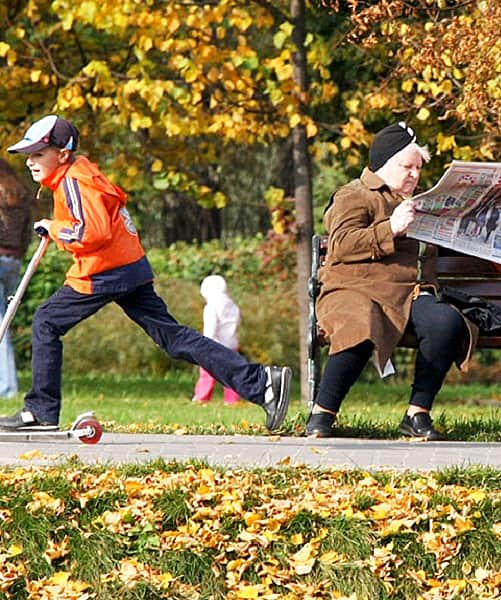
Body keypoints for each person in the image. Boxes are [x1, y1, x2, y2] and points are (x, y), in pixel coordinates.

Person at [0, 115, 291, 431]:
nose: (30, 162)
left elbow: (90, 233)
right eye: (29, 155)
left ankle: (40, 412)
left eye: (38, 154)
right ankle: (262, 382)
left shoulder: (73, 181)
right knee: (174, 338)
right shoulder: (82, 176)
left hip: (105, 271)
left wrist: (53, 227)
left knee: (46, 320)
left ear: (63, 154)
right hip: (128, 268)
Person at [307, 122, 501, 440]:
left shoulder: (422, 201)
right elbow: (341, 244)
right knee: (360, 323)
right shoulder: (354, 195)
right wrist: (390, 229)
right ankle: (322, 413)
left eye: (418, 168)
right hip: (354, 289)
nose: (414, 174)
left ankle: (417, 414)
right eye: (406, 167)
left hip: (410, 295)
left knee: (445, 322)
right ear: (383, 164)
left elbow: (470, 234)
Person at [0, 159, 33, 398]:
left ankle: (7, 386)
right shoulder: (21, 193)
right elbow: (28, 231)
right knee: (4, 322)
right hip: (14, 260)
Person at [193, 275, 241, 405]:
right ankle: (232, 400)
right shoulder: (233, 306)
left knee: (207, 373)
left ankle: (201, 398)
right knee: (231, 375)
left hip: (215, 346)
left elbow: (211, 327)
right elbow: (237, 324)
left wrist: (204, 344)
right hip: (231, 345)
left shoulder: (211, 307)